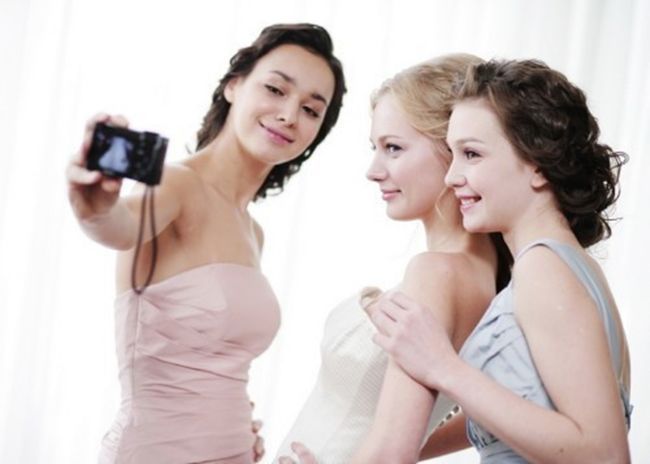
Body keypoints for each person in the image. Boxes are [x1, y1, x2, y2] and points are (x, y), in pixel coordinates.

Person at [66, 23, 346, 464]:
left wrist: (231, 423)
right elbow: (118, 226)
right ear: (234, 85)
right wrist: (93, 207)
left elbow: (213, 365)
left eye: (311, 110)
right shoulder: (176, 184)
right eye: (275, 89)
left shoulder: (253, 231)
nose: (290, 115)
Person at [369, 59, 632, 463]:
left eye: (472, 154)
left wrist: (443, 367)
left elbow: (606, 454)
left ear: (538, 164)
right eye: (453, 154)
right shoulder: (569, 265)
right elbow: (531, 416)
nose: (452, 177)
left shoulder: (543, 268)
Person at [276, 54, 512, 464]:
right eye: (376, 148)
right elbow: (488, 413)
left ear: (455, 148)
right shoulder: (482, 273)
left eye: (393, 148)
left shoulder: (438, 272)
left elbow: (391, 451)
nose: (373, 170)